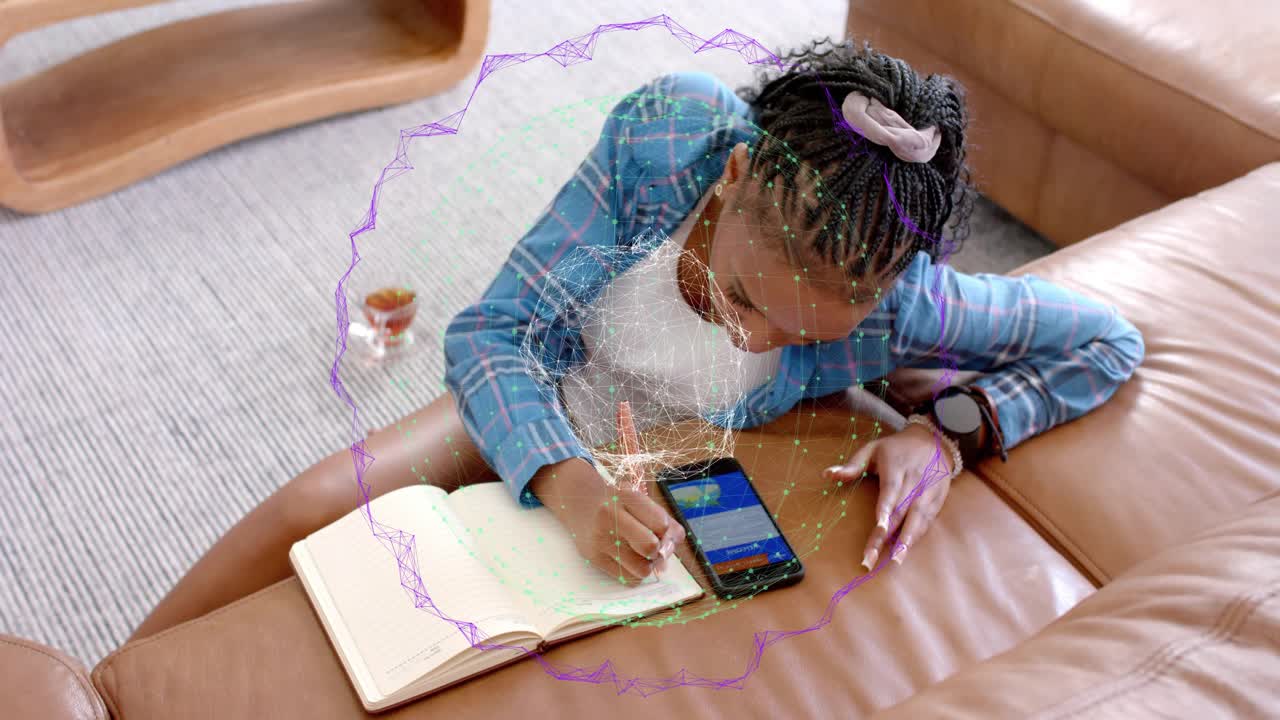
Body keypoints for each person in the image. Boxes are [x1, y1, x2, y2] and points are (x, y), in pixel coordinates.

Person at [129, 39, 1144, 640]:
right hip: (556, 389)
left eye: (795, 333)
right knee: (319, 506)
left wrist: (949, 432)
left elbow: (1104, 344)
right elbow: (494, 333)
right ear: (734, 178)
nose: (745, 332)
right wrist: (566, 482)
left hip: (689, 463)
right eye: (741, 294)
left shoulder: (904, 302)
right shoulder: (669, 138)